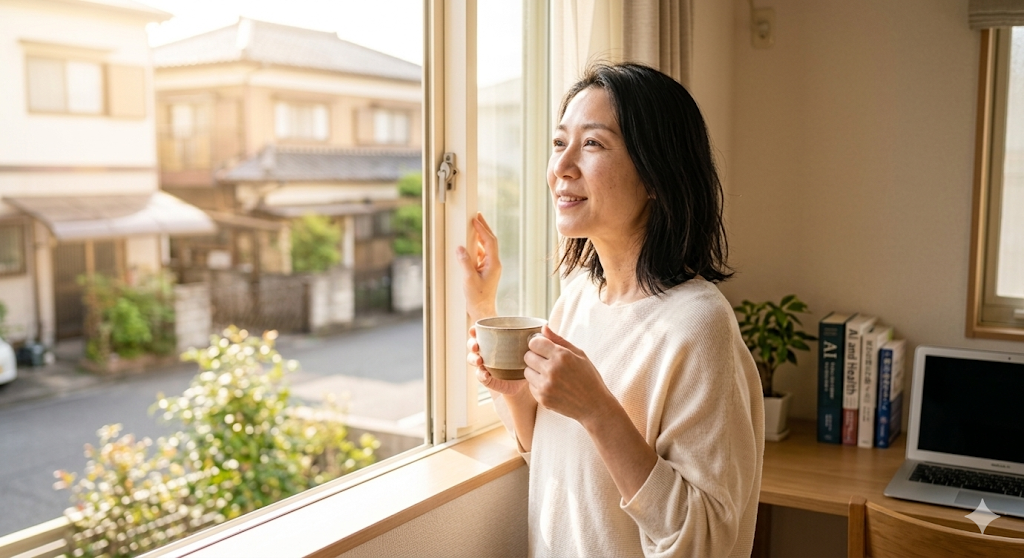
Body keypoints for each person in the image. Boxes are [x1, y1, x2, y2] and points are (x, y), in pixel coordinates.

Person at [458, 63, 764, 558]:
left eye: (593, 144)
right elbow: (565, 469)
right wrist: (515, 390)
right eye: (560, 143)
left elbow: (705, 543)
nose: (562, 166)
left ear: (656, 176)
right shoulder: (578, 297)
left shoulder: (699, 327)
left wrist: (599, 410)